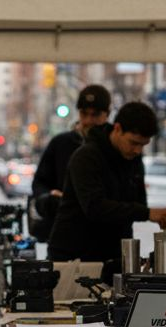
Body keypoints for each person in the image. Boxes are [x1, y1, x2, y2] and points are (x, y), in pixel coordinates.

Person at [46, 102, 166, 263]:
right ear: (118, 129)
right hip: (74, 256)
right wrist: (147, 213)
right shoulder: (86, 156)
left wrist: (148, 212)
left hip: (115, 255)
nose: (137, 150)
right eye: (134, 142)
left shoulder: (134, 159)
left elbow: (138, 201)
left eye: (143, 145)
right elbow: (94, 207)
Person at [31, 84, 111, 240]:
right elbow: (39, 182)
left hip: (105, 235)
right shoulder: (60, 143)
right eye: (84, 113)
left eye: (95, 115)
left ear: (107, 114)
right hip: (63, 234)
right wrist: (49, 196)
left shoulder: (115, 147)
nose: (89, 120)